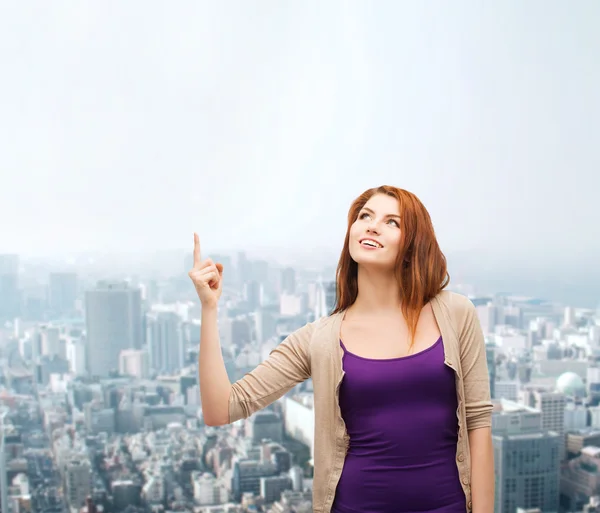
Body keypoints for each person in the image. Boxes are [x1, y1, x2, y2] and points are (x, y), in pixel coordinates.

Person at [189, 185, 494, 513]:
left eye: (393, 222)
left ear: (412, 246)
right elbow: (222, 409)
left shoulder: (455, 313)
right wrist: (209, 309)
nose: (373, 225)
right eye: (365, 216)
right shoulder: (320, 338)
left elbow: (478, 423)